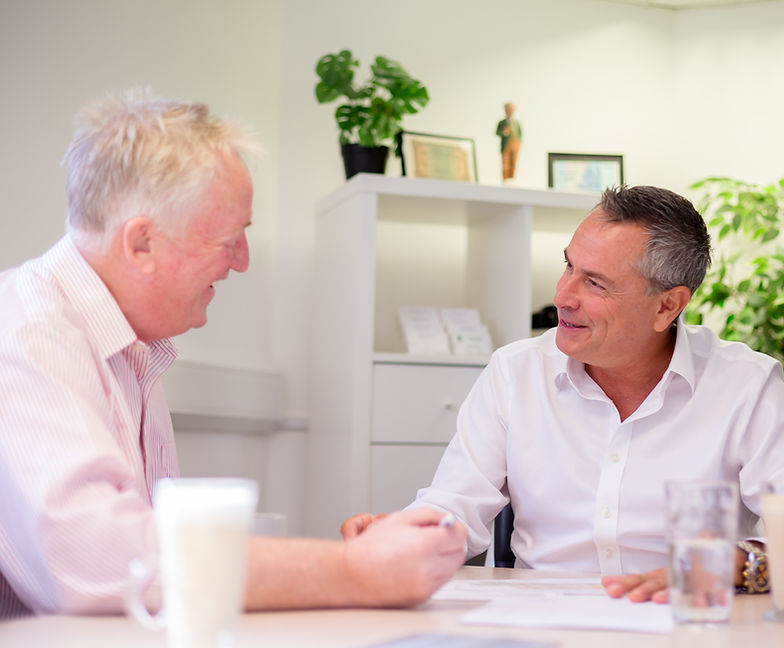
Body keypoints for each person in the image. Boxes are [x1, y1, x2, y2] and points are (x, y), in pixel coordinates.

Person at [0, 89, 466, 620]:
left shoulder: (134, 347)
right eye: (229, 240)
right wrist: (357, 569)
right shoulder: (26, 333)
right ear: (142, 244)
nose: (241, 262)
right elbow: (99, 561)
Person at [342, 185, 784, 603]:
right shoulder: (514, 373)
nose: (561, 296)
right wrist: (404, 533)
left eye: (594, 283)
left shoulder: (744, 385)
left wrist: (729, 564)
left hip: (685, 629)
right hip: (540, 632)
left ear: (668, 306)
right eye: (568, 265)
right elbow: (455, 507)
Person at [495, 102, 522, 181]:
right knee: (506, 164)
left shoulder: (517, 123)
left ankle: (511, 180)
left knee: (513, 163)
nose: (510, 111)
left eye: (512, 109)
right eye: (509, 109)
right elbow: (497, 132)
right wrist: (504, 132)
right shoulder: (502, 123)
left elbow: (520, 134)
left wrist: (518, 144)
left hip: (515, 144)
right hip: (506, 145)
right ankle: (505, 180)